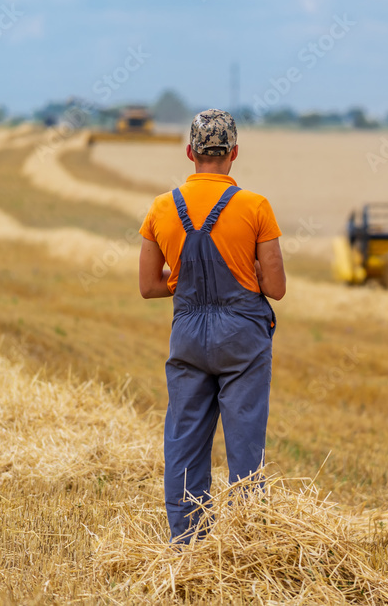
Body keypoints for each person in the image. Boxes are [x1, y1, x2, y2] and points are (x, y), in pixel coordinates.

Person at [138, 109, 286, 544]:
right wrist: (245, 276)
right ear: (234, 153)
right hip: (242, 335)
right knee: (244, 446)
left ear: (190, 152)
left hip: (187, 333)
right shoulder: (255, 207)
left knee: (183, 442)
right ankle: (244, 544)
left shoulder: (162, 208)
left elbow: (148, 286)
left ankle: (189, 546)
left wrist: (186, 285)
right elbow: (275, 287)